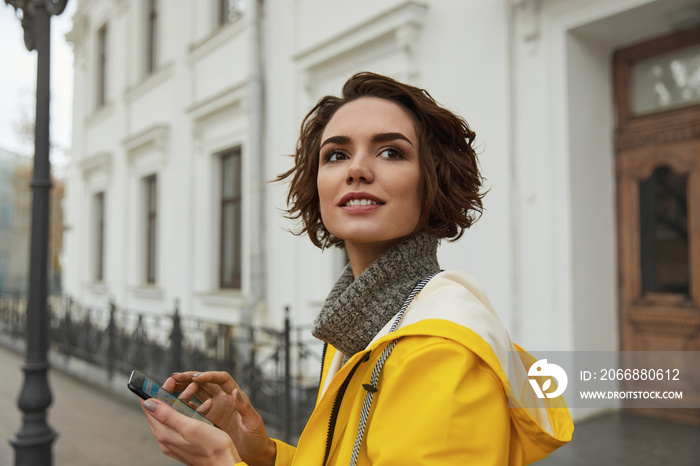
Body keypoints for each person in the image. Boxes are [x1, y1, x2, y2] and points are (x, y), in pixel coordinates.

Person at [140, 72, 574, 465]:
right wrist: (260, 453)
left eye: (390, 151)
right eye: (336, 155)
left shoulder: (439, 351)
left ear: (432, 181)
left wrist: (221, 463)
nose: (357, 170)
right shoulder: (362, 322)